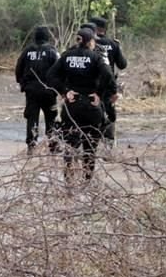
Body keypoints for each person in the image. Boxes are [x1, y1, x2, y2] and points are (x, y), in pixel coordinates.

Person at [47, 28, 115, 181]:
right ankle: (87, 179)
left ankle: (68, 178)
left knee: (70, 144)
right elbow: (108, 75)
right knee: (90, 147)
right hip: (91, 106)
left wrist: (65, 91)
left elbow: (50, 75)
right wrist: (99, 93)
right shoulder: (96, 57)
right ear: (90, 41)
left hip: (72, 105)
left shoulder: (67, 56)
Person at [14, 26, 60, 155]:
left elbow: (19, 68)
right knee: (51, 118)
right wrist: (58, 88)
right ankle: (53, 145)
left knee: (32, 118)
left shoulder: (27, 51)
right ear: (47, 37)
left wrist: (22, 84)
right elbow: (59, 69)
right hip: (49, 91)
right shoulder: (52, 51)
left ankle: (31, 145)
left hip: (32, 91)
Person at [90, 16, 127, 157]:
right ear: (105, 29)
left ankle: (90, 144)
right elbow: (122, 65)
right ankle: (108, 148)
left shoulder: (89, 43)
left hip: (91, 86)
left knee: (92, 112)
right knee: (109, 114)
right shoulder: (113, 43)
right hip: (108, 85)